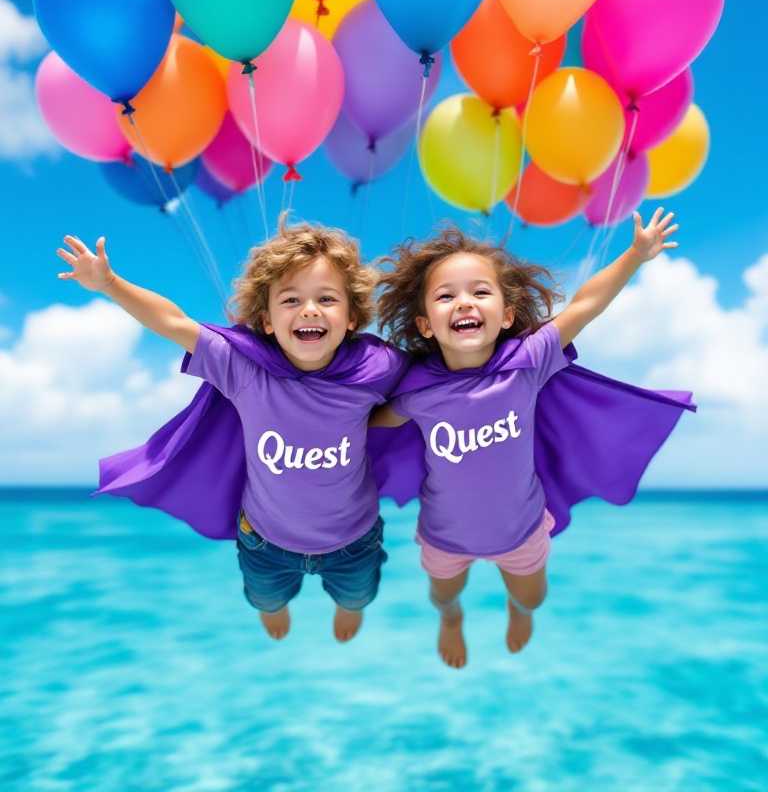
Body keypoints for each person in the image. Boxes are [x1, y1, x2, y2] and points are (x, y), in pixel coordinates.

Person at [57, 216, 407, 644]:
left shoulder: (378, 368)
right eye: (291, 299)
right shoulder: (243, 368)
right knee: (263, 599)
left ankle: (347, 608)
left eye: (327, 299)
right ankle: (273, 608)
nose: (310, 309)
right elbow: (174, 322)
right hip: (264, 542)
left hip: (355, 540)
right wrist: (110, 284)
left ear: (352, 318)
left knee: (358, 598)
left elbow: (437, 377)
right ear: (266, 320)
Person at [371, 208, 681, 668]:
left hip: (521, 531)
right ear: (424, 325)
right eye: (445, 296)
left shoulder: (528, 362)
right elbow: (371, 425)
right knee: (443, 595)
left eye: (480, 292)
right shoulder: (418, 391)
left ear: (507, 313)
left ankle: (518, 612)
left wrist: (635, 255)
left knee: (531, 598)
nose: (464, 303)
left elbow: (583, 306)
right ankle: (452, 619)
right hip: (444, 535)